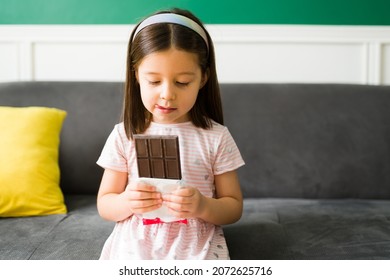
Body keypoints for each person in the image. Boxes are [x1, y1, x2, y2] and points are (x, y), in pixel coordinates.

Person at [96, 7, 245, 260]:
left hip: (196, 246)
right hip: (136, 244)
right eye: (154, 81)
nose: (167, 94)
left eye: (183, 82)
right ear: (136, 76)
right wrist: (128, 201)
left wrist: (203, 205)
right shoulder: (125, 135)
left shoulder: (215, 137)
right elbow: (105, 204)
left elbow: (233, 207)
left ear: (203, 78)